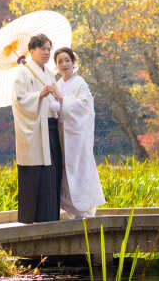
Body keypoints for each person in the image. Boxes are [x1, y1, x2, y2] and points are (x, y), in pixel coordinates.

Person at [12, 34, 63, 223]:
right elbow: (20, 99)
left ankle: (49, 217)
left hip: (50, 127)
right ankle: (31, 219)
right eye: (43, 48)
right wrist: (39, 95)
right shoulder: (22, 72)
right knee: (35, 172)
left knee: (52, 172)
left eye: (49, 48)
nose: (47, 52)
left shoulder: (49, 73)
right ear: (31, 51)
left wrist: (55, 99)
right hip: (34, 129)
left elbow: (55, 97)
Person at [54, 46, 105, 218]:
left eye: (67, 60)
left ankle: (85, 208)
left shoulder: (80, 83)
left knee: (79, 167)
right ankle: (71, 209)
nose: (64, 64)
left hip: (77, 135)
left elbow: (85, 106)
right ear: (56, 65)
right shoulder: (57, 84)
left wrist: (62, 99)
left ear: (73, 62)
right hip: (62, 134)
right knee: (65, 169)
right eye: (60, 61)